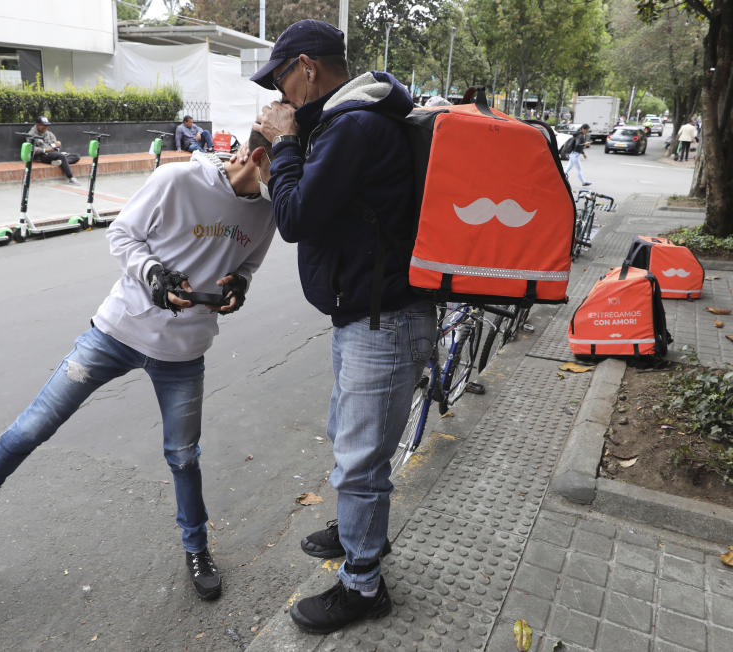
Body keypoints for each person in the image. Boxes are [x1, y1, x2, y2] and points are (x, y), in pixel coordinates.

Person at [0, 129, 277, 602]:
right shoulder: (178, 180)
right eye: (285, 172)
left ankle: (197, 548)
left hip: (184, 352)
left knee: (183, 457)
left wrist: (238, 285)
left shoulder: (269, 210)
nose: (293, 186)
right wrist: (155, 275)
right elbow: (122, 234)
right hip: (116, 334)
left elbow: (249, 265)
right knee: (29, 429)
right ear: (258, 157)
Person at [250, 19, 437, 634]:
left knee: (360, 460)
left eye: (282, 80)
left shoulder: (353, 125)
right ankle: (357, 528)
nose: (280, 96)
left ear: (306, 67)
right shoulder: (356, 116)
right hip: (367, 313)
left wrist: (281, 146)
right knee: (351, 438)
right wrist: (292, 133)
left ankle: (363, 585)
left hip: (382, 319)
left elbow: (297, 214)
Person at [27, 116, 80, 184]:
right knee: (62, 156)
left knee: (76, 156)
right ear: (38, 125)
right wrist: (46, 150)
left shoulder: (49, 133)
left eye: (47, 125)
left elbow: (55, 146)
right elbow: (32, 149)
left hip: (53, 154)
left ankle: (57, 162)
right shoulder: (31, 134)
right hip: (42, 156)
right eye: (44, 125)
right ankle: (71, 177)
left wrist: (57, 145)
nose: (45, 127)